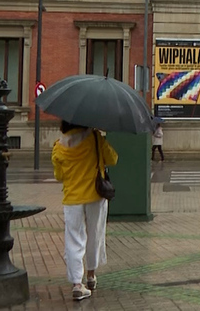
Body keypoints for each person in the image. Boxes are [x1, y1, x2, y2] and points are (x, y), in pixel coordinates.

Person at [52, 121, 118, 301]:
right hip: (95, 196)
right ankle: (90, 275)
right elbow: (113, 159)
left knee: (74, 239)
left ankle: (76, 284)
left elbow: (59, 176)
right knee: (94, 235)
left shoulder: (58, 146)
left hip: (72, 198)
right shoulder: (95, 138)